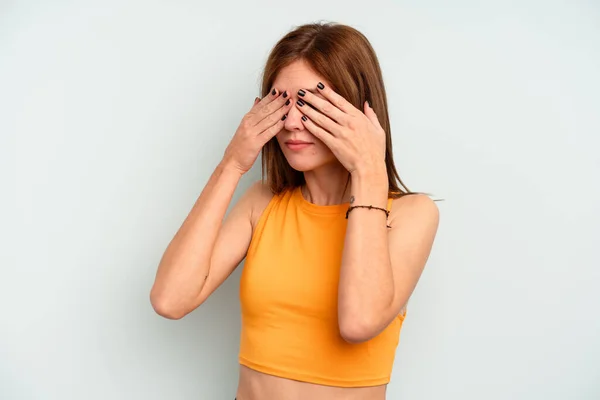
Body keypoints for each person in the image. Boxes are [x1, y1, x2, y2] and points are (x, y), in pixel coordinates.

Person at [150, 21, 439, 400]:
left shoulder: (411, 215)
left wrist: (369, 168)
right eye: (281, 103)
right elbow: (170, 300)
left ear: (356, 110)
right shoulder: (262, 201)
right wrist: (232, 164)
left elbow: (358, 322)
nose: (290, 123)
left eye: (311, 104)